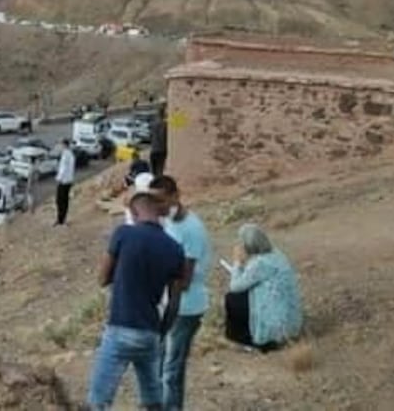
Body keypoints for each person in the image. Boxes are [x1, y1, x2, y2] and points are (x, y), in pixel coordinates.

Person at [86, 192, 185, 411]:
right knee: (152, 400)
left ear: (133, 212)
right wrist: (161, 332)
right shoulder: (175, 249)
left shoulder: (123, 234)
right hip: (149, 334)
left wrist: (120, 271)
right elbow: (175, 302)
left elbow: (102, 279)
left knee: (98, 400)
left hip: (120, 328)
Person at [155, 176, 211, 411]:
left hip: (186, 307)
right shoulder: (168, 222)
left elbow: (184, 281)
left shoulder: (192, 229)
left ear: (175, 196)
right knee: (159, 365)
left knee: (171, 370)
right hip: (169, 304)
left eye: (160, 200)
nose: (157, 206)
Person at [224, 224, 303, 351]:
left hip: (274, 326)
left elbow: (235, 286)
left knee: (233, 298)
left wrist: (237, 261)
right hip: (289, 320)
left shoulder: (260, 263)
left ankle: (247, 341)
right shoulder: (276, 254)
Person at [54, 138, 77, 226]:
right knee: (64, 200)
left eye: (61, 144)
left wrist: (59, 178)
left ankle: (60, 220)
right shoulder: (70, 154)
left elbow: (63, 168)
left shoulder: (66, 155)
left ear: (64, 145)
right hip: (68, 180)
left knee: (60, 200)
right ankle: (62, 219)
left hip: (63, 181)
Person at [150, 107, 168, 177]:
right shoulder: (165, 124)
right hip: (161, 150)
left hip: (153, 150)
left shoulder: (153, 124)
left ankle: (155, 184)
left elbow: (151, 136)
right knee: (160, 170)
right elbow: (163, 137)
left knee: (154, 171)